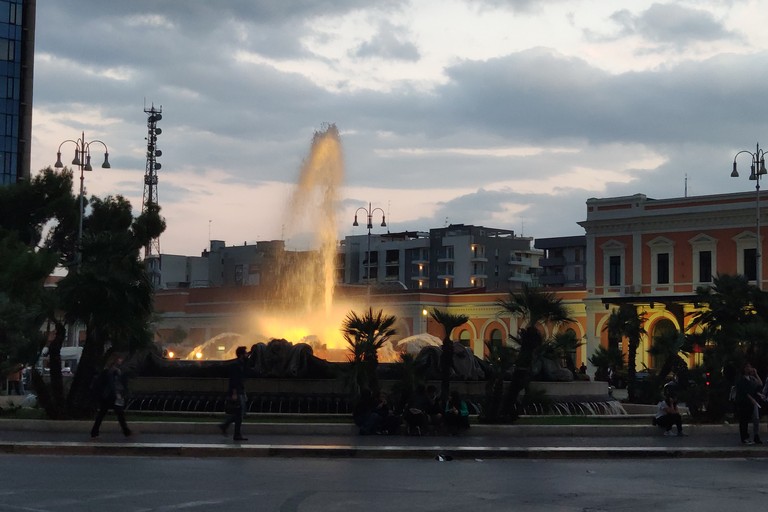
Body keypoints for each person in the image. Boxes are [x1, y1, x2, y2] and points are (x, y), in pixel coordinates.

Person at [90, 353, 132, 439]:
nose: (120, 361)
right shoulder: (111, 373)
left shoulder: (110, 372)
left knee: (103, 414)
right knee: (119, 414)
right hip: (110, 396)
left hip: (107, 396)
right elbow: (112, 385)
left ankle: (94, 432)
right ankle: (126, 431)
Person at [219, 346, 249, 441]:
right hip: (237, 392)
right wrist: (234, 393)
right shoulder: (235, 365)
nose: (247, 355)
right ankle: (236, 434)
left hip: (240, 391)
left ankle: (225, 426)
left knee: (239, 413)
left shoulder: (241, 364)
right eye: (245, 353)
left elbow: (240, 380)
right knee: (239, 413)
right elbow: (234, 381)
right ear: (241, 355)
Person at [735, 362, 762, 445]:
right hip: (745, 402)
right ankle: (744, 437)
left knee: (756, 419)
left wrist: (756, 374)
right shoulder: (741, 379)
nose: (748, 369)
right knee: (744, 420)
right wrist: (751, 399)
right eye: (747, 367)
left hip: (753, 402)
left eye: (750, 367)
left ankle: (756, 436)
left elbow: (760, 384)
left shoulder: (751, 378)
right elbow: (744, 392)